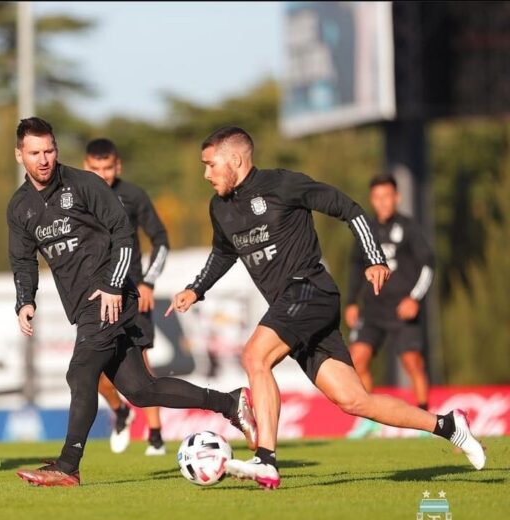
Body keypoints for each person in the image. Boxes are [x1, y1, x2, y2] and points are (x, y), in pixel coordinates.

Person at [167, 126, 486, 489]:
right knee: (354, 401)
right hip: (294, 309)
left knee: (255, 357)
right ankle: (447, 426)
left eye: (210, 165)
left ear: (236, 159)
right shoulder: (220, 208)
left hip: (311, 291)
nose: (206, 174)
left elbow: (349, 209)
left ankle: (265, 459)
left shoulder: (283, 185)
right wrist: (196, 289)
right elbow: (224, 254)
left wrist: (374, 258)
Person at [8, 118, 254, 487]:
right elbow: (23, 258)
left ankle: (68, 466)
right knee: (141, 390)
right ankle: (231, 403)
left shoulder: (84, 183)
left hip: (110, 298)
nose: (44, 159)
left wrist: (112, 285)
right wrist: (25, 300)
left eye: (49, 150)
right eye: (35, 153)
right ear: (19, 155)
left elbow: (124, 232)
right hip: (85, 305)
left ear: (56, 149)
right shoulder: (20, 207)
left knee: (80, 373)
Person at [84, 138, 169, 456]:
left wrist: (149, 282)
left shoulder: (133, 196)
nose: (103, 174)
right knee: (92, 368)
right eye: (95, 168)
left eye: (108, 168)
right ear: (86, 166)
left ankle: (156, 436)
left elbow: (160, 240)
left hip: (133, 293)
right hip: (96, 295)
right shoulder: (78, 196)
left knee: (142, 365)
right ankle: (120, 410)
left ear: (117, 166)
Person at [345, 174, 435, 438]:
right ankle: (369, 418)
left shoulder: (409, 228)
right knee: (357, 359)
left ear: (397, 197)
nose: (383, 202)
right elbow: (355, 267)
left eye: (387, 196)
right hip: (373, 309)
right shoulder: (367, 230)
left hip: (402, 308)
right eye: (377, 197)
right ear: (372, 200)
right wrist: (351, 301)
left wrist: (414, 298)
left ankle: (426, 421)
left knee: (412, 363)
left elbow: (428, 266)